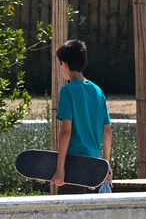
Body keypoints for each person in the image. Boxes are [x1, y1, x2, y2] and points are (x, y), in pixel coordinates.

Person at [51, 38, 112, 194]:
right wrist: (106, 166)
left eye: (60, 64)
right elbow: (107, 131)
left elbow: (66, 131)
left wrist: (60, 169)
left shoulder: (68, 91)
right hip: (96, 168)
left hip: (74, 167)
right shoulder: (98, 92)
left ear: (64, 64)